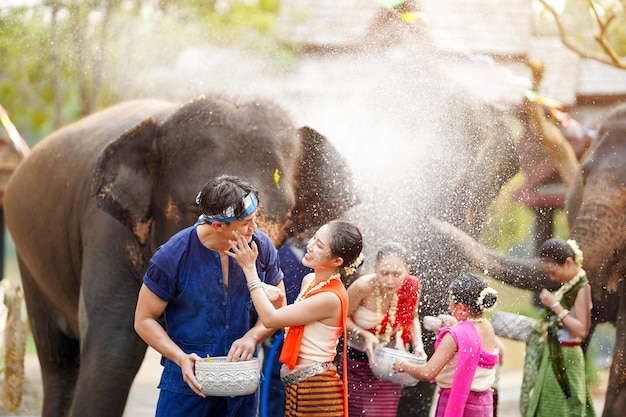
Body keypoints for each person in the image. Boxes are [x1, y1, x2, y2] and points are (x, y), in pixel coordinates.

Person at [134, 175, 285, 417]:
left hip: (242, 385)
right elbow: (143, 319)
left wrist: (252, 337)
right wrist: (179, 357)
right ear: (218, 226)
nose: (254, 228)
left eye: (254, 220)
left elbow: (280, 306)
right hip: (187, 385)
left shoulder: (261, 246)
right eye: (247, 222)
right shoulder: (172, 256)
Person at [227, 220, 363, 417]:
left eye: (319, 245)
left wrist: (250, 270)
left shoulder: (330, 297)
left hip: (316, 390)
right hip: (299, 386)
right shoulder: (310, 281)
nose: (310, 245)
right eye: (314, 238)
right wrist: (279, 300)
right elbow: (291, 326)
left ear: (337, 262)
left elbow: (270, 319)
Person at [391, 273, 499, 417]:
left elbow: (427, 373)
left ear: (460, 307)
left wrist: (402, 365)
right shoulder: (487, 327)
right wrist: (455, 323)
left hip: (457, 403)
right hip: (483, 405)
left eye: (450, 300)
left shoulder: (454, 336)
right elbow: (472, 337)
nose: (448, 304)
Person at [342, 242, 425, 417]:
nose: (389, 280)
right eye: (384, 273)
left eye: (397, 274)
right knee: (352, 413)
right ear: (375, 267)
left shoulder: (411, 287)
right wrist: (363, 334)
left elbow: (412, 318)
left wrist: (418, 345)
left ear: (407, 270)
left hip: (388, 366)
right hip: (355, 363)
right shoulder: (363, 287)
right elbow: (340, 319)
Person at [520, 238, 596, 417]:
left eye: (554, 272)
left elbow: (582, 330)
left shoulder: (582, 287)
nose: (553, 278)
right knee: (547, 405)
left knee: (565, 407)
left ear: (569, 263)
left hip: (568, 356)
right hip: (554, 351)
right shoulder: (568, 286)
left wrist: (555, 306)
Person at [261, 234, 313, 417]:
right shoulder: (278, 253)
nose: (304, 233)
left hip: (307, 333)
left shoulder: (315, 256)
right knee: (274, 381)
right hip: (277, 331)